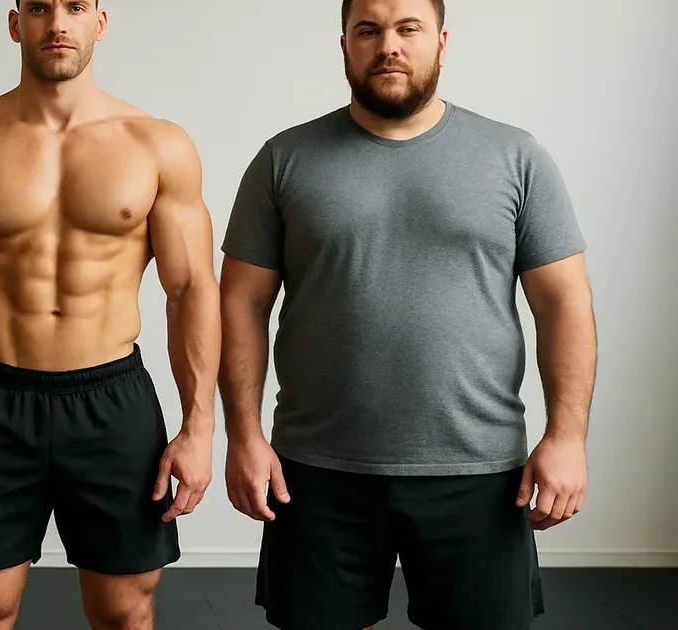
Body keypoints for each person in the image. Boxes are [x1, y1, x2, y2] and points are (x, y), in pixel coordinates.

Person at [219, 0, 596, 629]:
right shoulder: (284, 160)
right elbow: (240, 301)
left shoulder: (516, 157)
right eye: (368, 30)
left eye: (407, 29)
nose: (387, 45)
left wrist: (568, 438)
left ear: (442, 43)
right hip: (317, 469)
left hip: (478, 469)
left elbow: (565, 302)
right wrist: (244, 436)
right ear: (344, 45)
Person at [0, 1, 220, 628]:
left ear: (101, 21)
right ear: (15, 24)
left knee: (126, 607)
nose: (57, 23)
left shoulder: (156, 144)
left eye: (75, 7)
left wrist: (199, 428)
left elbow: (192, 290)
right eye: (39, 8)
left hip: (112, 397)